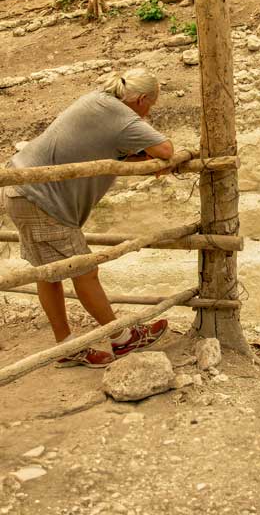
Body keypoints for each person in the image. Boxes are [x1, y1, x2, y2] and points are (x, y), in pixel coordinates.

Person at [3, 69, 175, 368]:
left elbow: (118, 154)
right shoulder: (120, 114)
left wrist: (145, 160)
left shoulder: (98, 102)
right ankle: (123, 338)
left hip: (23, 190)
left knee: (49, 273)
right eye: (151, 107)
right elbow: (165, 149)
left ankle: (66, 346)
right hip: (43, 199)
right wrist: (156, 160)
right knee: (85, 270)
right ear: (142, 99)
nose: (149, 113)